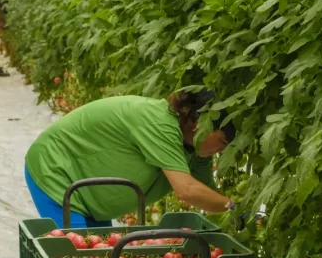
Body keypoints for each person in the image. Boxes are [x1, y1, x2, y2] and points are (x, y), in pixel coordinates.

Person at [24, 89, 235, 228]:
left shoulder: (194, 151)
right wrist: (234, 208)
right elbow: (187, 190)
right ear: (200, 125)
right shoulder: (159, 125)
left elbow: (207, 194)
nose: (222, 152)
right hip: (56, 171)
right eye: (222, 143)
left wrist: (240, 216)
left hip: (90, 194)